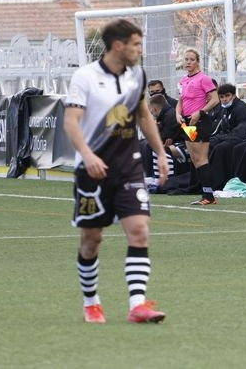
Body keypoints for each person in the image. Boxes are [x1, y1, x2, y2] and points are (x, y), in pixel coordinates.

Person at [63, 19, 168, 324]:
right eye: (136, 44)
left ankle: (138, 305)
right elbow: (72, 122)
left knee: (139, 231)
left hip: (129, 168)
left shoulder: (137, 75)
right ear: (118, 46)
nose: (140, 49)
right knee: (91, 239)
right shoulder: (85, 77)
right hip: (92, 172)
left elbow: (144, 116)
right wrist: (87, 155)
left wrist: (160, 153)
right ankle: (91, 302)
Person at [175, 49, 220, 206]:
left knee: (201, 159)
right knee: (194, 159)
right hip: (187, 122)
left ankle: (209, 195)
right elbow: (180, 100)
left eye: (191, 59)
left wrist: (200, 112)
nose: (188, 62)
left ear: (197, 61)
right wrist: (177, 114)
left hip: (199, 122)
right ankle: (206, 194)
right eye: (186, 59)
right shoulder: (183, 80)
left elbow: (215, 100)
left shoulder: (204, 79)